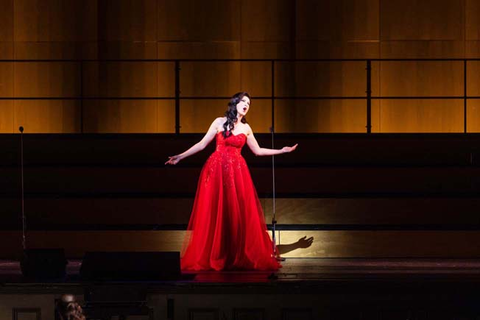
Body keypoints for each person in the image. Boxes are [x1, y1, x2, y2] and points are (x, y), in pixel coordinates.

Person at [166, 92, 297, 271]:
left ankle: (234, 253)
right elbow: (202, 144)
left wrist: (281, 151)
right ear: (235, 103)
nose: (246, 105)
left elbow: (258, 151)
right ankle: (215, 253)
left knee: (236, 213)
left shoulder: (246, 128)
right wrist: (180, 156)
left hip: (237, 173)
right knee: (216, 211)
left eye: (249, 103)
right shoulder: (219, 122)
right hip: (216, 171)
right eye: (243, 101)